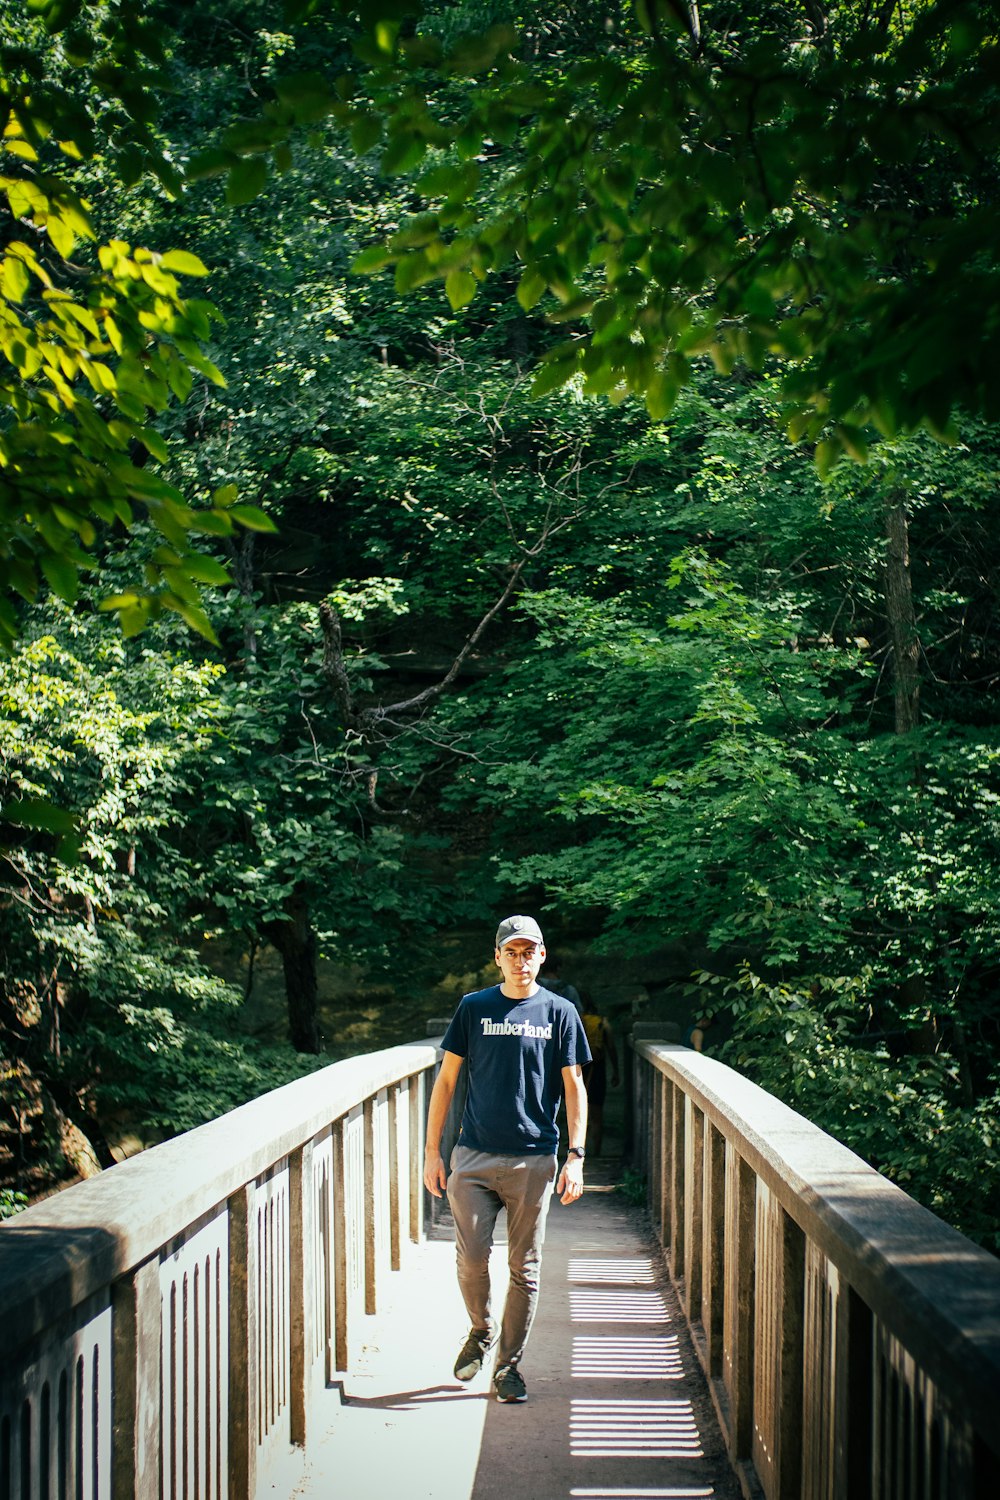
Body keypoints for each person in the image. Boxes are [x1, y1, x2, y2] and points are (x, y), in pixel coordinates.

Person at [423, 914, 591, 1405]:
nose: (520, 961)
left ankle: (508, 1368)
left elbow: (574, 1087)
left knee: (526, 1267)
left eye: (529, 951)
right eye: (511, 952)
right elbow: (447, 1081)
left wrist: (575, 1157)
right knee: (473, 1259)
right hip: (472, 1156)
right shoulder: (474, 1008)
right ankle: (481, 1329)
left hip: (534, 1160)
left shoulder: (560, 1012)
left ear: (542, 955)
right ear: (497, 957)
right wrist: (433, 1151)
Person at [579, 995, 620, 1157]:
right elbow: (611, 1048)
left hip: (578, 1069)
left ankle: (575, 1152)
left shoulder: (577, 1021)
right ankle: (596, 1153)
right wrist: (616, 1071)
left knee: (575, 1112)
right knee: (597, 1115)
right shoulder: (603, 1023)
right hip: (597, 1070)